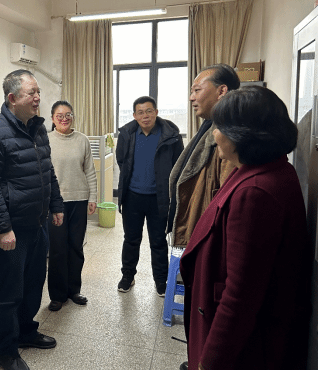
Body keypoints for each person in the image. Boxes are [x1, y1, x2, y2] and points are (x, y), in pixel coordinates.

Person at [180, 86, 312, 370]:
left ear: (241, 134)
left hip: (245, 350)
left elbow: (240, 297)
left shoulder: (255, 192)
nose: (214, 136)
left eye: (219, 128)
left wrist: (210, 361)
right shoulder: (267, 170)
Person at [0, 69, 64, 371]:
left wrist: (56, 204)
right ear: (12, 98)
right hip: (13, 230)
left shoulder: (38, 128)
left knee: (34, 285)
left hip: (37, 224)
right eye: (31, 93)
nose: (38, 98)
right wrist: (3, 228)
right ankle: (6, 351)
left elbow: (47, 171)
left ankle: (26, 331)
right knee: (9, 292)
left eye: (38, 92)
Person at [116, 96, 184, 295]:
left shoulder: (170, 135)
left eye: (148, 111)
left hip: (159, 198)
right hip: (132, 197)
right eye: (140, 112)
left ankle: (161, 281)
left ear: (156, 112)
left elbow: (178, 165)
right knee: (131, 240)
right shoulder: (127, 134)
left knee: (158, 241)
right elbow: (122, 161)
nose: (145, 116)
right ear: (135, 115)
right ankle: (127, 276)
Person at [167, 64, 240, 248]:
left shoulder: (229, 134)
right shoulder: (209, 124)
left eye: (197, 90)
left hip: (206, 239)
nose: (191, 97)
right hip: (193, 231)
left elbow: (227, 202)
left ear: (221, 91)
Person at [46, 101, 97, 312]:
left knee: (76, 246)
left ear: (73, 117)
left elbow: (90, 171)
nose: (64, 118)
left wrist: (92, 197)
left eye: (68, 114)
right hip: (56, 203)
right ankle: (57, 295)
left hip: (79, 199)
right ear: (52, 118)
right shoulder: (46, 140)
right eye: (60, 115)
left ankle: (74, 290)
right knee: (57, 249)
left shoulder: (82, 140)